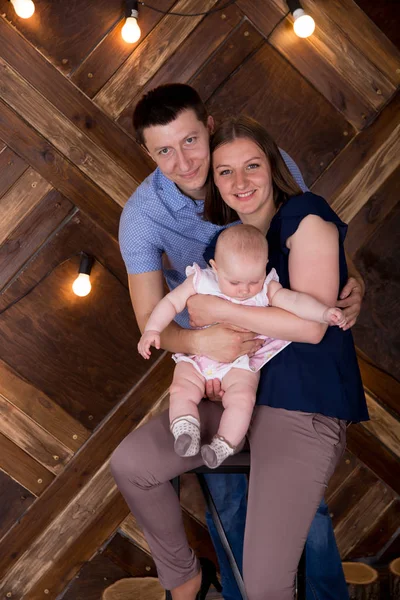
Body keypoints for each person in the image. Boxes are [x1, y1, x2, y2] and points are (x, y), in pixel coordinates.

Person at [111, 83, 365, 600]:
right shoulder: (143, 217)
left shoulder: (256, 174)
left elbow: (311, 233)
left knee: (297, 534)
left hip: (292, 390)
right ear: (148, 154)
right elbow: (151, 321)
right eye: (164, 151)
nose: (183, 162)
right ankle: (188, 580)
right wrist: (208, 341)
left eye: (189, 142)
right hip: (219, 379)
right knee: (209, 499)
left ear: (208, 127)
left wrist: (351, 278)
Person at [138, 224, 347, 468]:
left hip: (240, 362)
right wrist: (152, 330)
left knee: (242, 399)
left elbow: (295, 302)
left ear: (265, 267)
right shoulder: (202, 280)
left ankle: (224, 443)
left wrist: (323, 312)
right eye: (234, 282)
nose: (245, 290)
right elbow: (171, 303)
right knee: (181, 388)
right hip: (200, 356)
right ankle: (186, 429)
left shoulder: (267, 288)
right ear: (216, 267)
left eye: (253, 280)